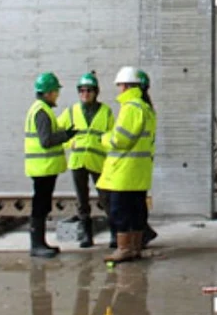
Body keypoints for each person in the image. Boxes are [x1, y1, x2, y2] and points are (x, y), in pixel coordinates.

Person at [98, 66, 155, 264]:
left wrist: (104, 139)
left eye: (120, 85)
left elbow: (121, 140)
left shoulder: (131, 107)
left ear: (125, 86)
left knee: (119, 210)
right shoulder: (145, 108)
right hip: (139, 170)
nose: (118, 89)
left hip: (124, 171)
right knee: (137, 208)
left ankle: (124, 249)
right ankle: (136, 247)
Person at [25, 71, 77, 259]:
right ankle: (37, 245)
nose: (57, 95)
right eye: (55, 91)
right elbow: (46, 140)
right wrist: (67, 135)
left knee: (43, 204)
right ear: (47, 93)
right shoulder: (41, 111)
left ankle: (40, 242)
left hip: (44, 167)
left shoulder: (40, 109)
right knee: (40, 205)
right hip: (42, 168)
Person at [59, 72, 114, 248]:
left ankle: (114, 234)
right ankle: (87, 236)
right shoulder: (71, 111)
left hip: (98, 161)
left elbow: (112, 135)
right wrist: (69, 143)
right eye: (82, 90)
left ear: (96, 92)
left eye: (89, 90)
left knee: (106, 199)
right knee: (82, 200)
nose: (85, 94)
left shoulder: (105, 111)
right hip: (78, 161)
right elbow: (58, 132)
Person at [137, 72, 159, 249]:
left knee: (135, 202)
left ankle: (142, 233)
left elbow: (123, 138)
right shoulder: (148, 108)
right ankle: (144, 232)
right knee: (139, 200)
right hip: (143, 161)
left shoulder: (137, 108)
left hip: (135, 162)